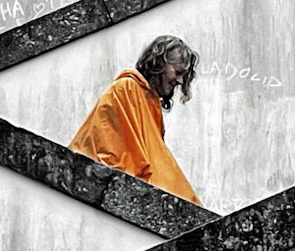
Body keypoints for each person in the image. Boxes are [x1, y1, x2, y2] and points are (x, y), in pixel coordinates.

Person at [68, 35, 201, 204]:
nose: (181, 81)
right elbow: (110, 150)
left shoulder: (149, 102)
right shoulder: (126, 89)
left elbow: (155, 161)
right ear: (159, 64)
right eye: (178, 72)